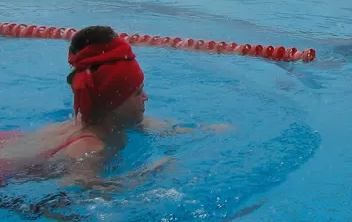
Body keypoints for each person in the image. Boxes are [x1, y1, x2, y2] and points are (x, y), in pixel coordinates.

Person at [0, 26, 228, 190]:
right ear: (114, 104)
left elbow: (161, 127)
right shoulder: (90, 147)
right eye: (138, 92)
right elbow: (77, 189)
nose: (146, 98)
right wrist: (146, 176)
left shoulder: (111, 121)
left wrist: (207, 131)